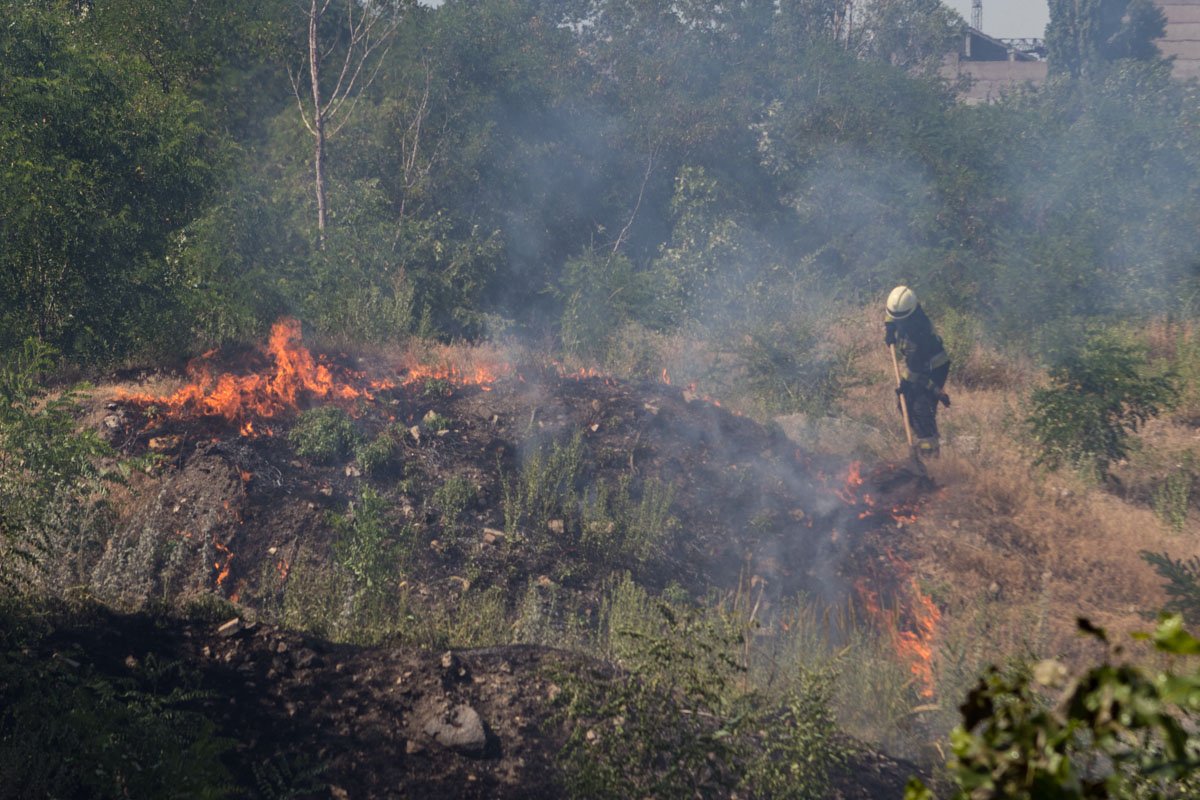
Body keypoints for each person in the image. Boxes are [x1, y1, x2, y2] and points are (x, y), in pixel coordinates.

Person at [884, 286, 950, 458]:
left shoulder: (918, 333)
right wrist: (889, 329)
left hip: (933, 368)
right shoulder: (903, 310)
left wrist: (905, 385)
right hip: (918, 367)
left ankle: (930, 454)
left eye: (901, 320)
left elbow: (915, 371)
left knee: (921, 407)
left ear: (911, 314)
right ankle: (921, 438)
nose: (899, 322)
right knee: (904, 402)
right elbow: (893, 314)